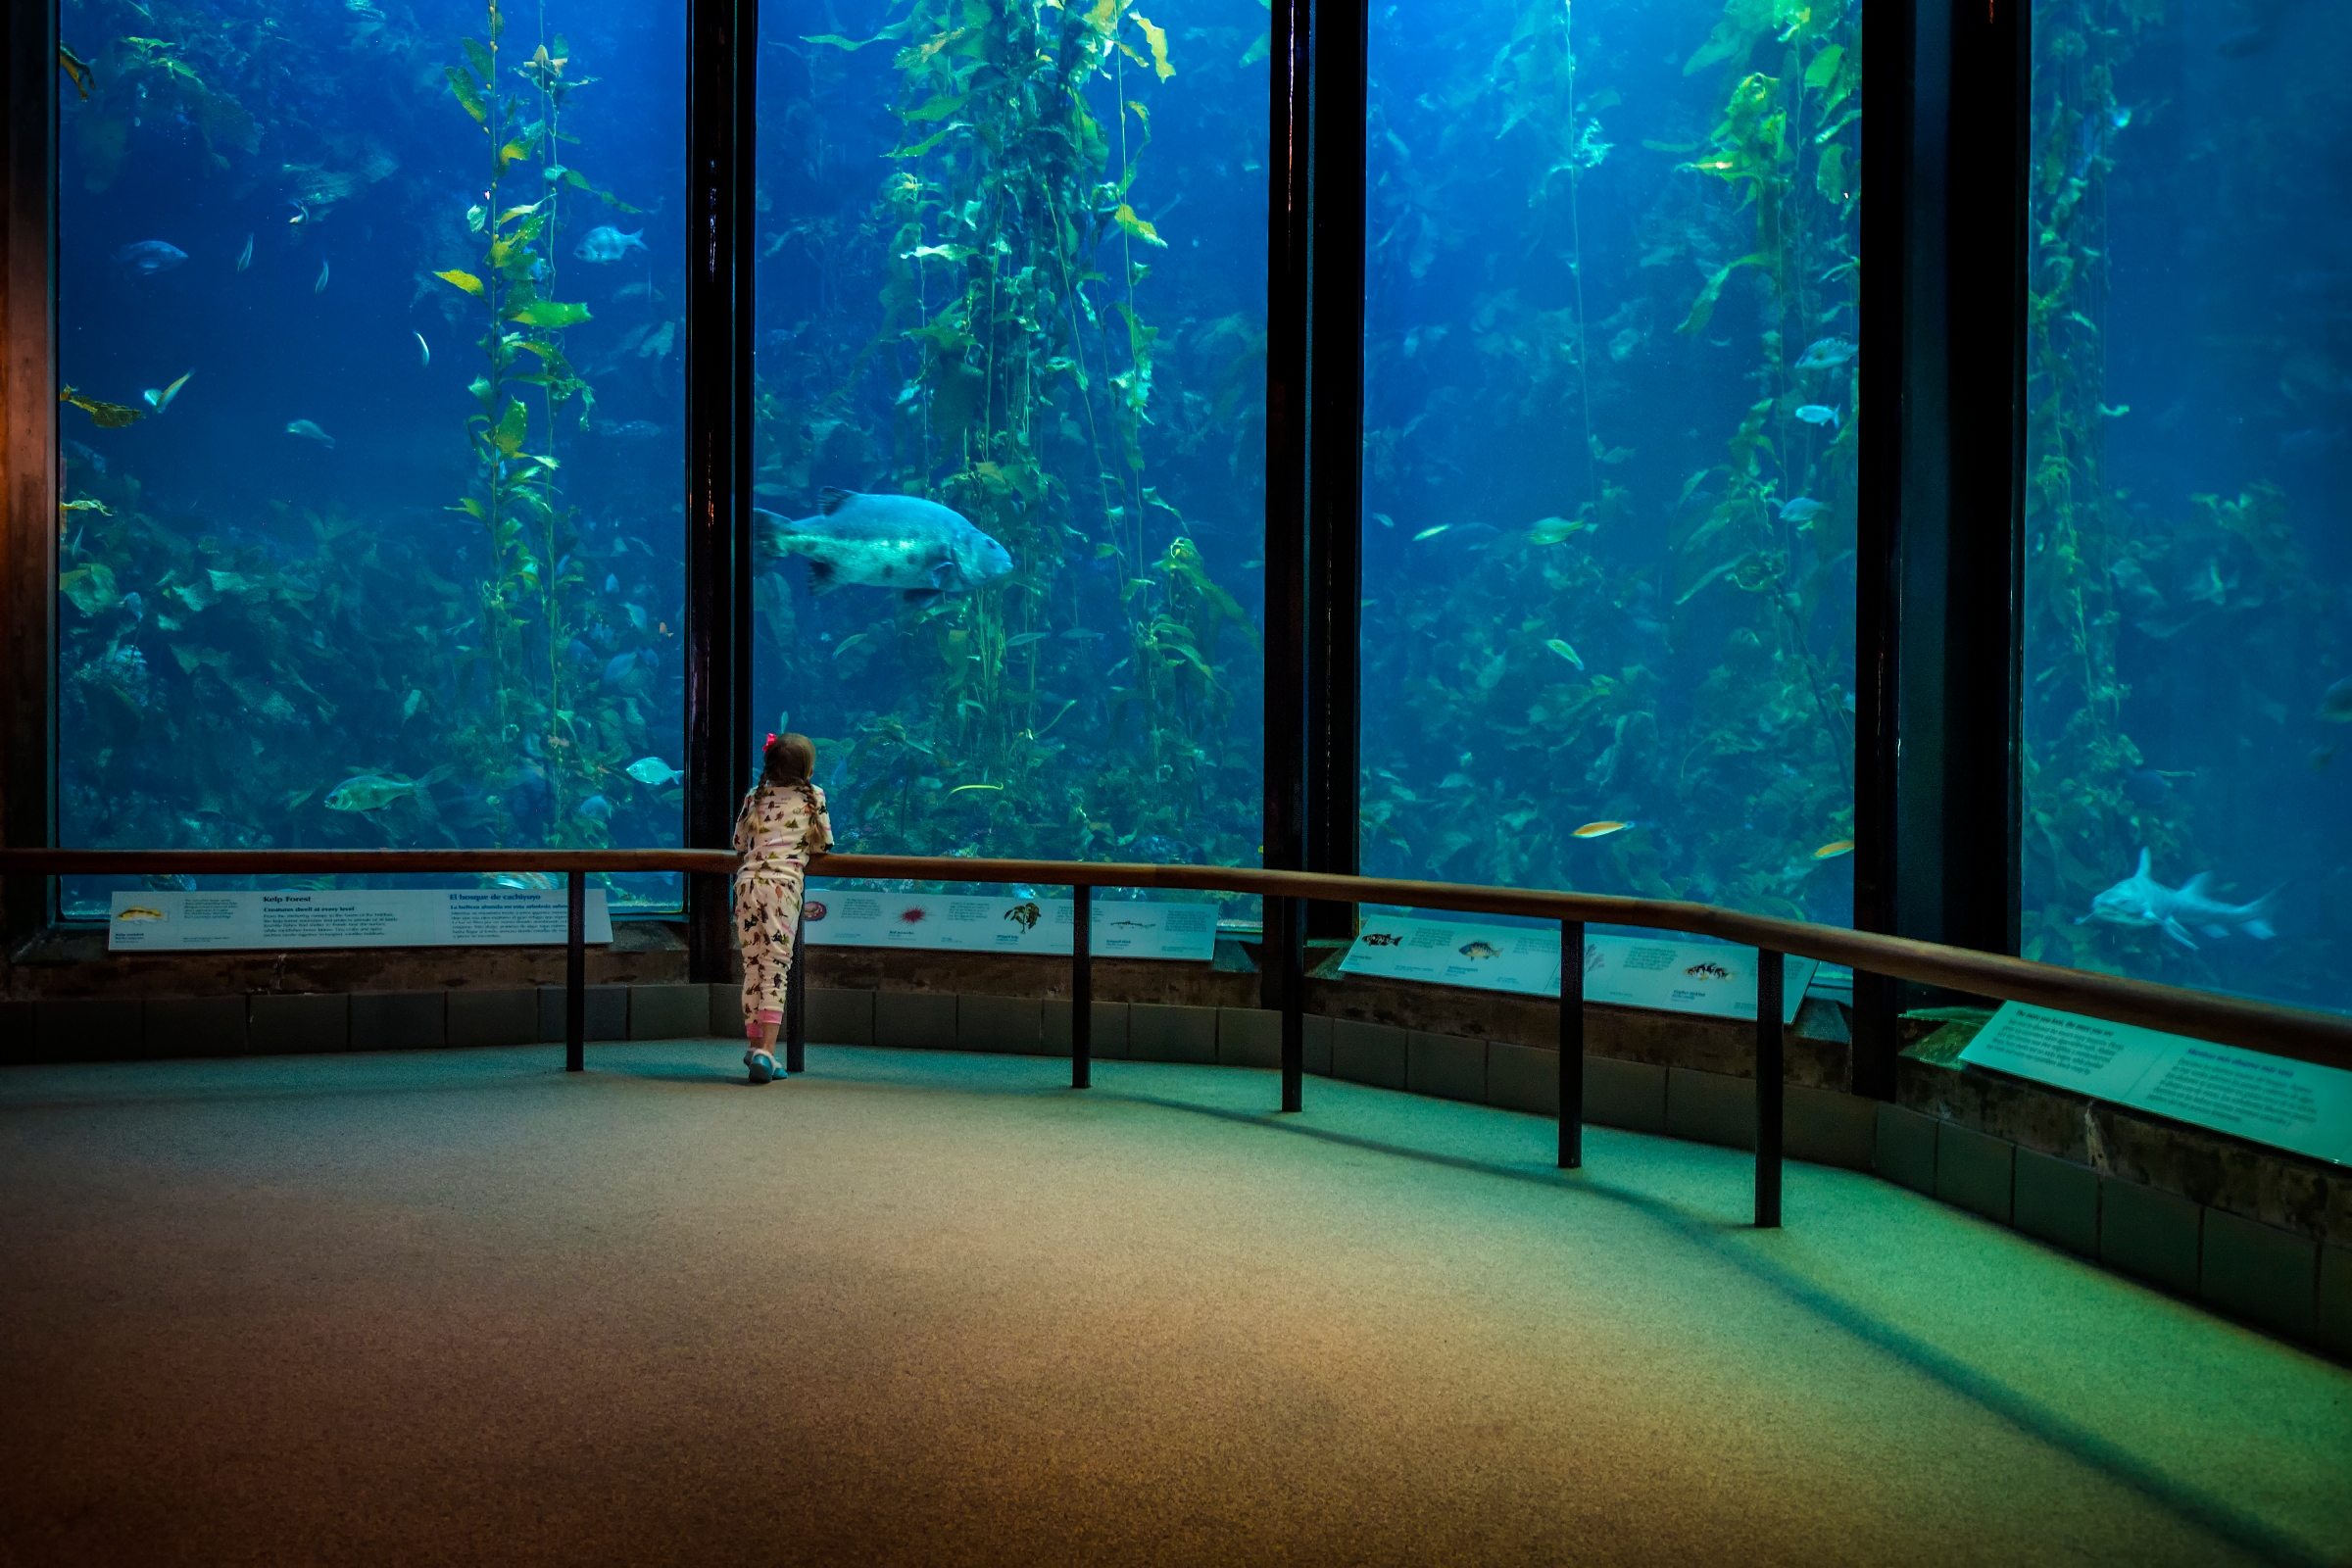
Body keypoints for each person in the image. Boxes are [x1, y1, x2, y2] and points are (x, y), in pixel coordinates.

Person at [733, 731, 832, 1083]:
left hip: (746, 886)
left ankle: (755, 1044)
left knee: (753, 965)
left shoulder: (753, 796)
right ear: (808, 769)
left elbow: (738, 841)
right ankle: (767, 1052)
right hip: (782, 889)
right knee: (776, 966)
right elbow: (823, 845)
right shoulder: (813, 798)